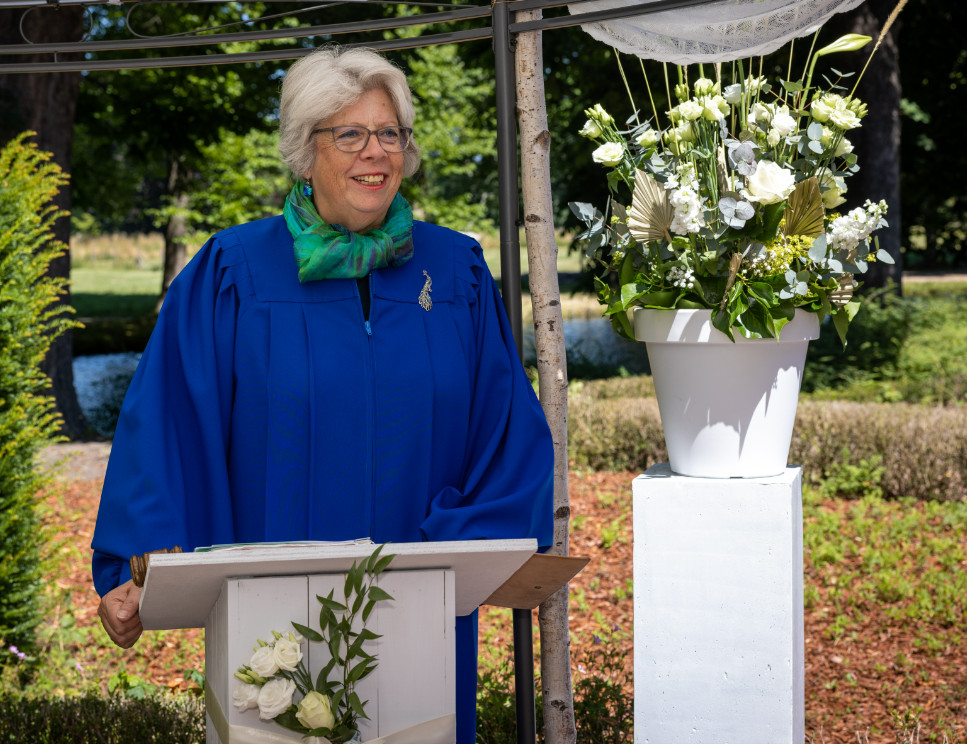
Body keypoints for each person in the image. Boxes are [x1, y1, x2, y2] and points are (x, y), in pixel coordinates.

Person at [91, 45, 554, 742]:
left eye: (389, 133)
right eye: (350, 134)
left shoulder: (452, 272)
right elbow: (167, 423)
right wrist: (132, 567)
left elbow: (506, 432)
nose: (376, 153)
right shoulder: (234, 272)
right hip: (269, 616)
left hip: (422, 607)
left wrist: (450, 553)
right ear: (304, 154)